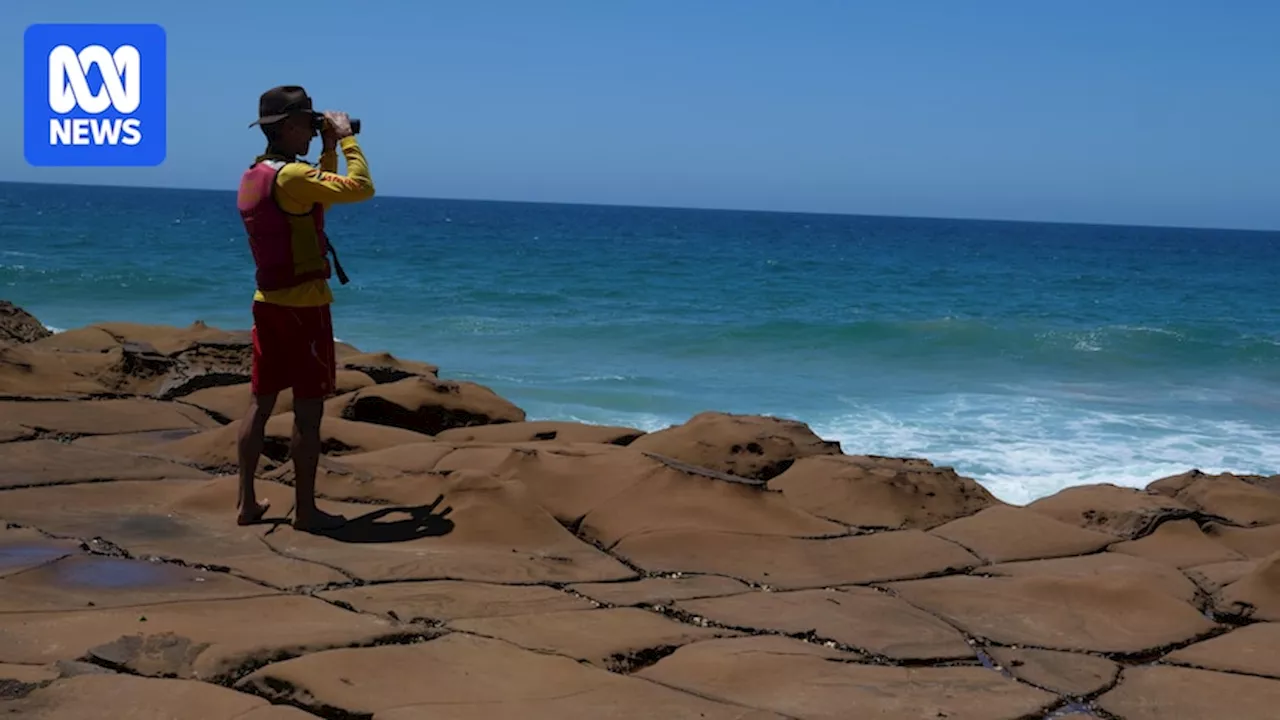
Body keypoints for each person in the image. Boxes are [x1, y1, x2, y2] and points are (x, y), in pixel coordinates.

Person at [234, 85, 374, 530]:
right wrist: (348, 141)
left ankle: (246, 503)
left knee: (260, 403)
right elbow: (360, 188)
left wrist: (327, 148)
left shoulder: (258, 173)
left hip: (267, 303)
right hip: (305, 307)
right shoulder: (293, 176)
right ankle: (307, 511)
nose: (314, 136)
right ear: (291, 126)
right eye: (310, 127)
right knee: (308, 411)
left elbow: (318, 196)